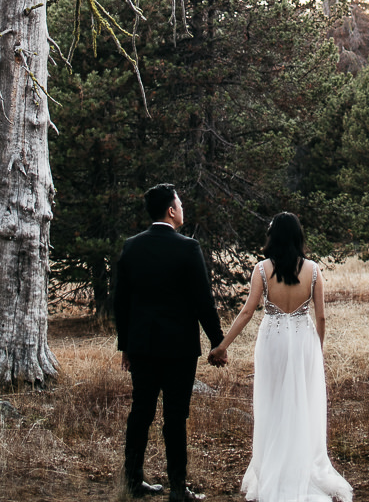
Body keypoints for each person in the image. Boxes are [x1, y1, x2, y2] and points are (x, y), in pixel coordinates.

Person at [208, 213, 353, 502]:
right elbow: (321, 315)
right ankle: (303, 467)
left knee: (273, 402)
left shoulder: (262, 270)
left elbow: (247, 312)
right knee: (302, 402)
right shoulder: (313, 270)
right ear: (299, 236)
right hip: (303, 341)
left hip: (272, 340)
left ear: (273, 236)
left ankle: (274, 469)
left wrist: (222, 346)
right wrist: (317, 348)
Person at [113, 183, 227, 502]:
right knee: (175, 416)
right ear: (171, 210)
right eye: (180, 203)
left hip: (142, 346)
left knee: (141, 412)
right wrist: (218, 342)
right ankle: (178, 489)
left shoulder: (131, 246)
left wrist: (125, 346)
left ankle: (133, 481)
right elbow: (203, 301)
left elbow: (121, 303)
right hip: (179, 348)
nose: (182, 208)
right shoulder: (188, 248)